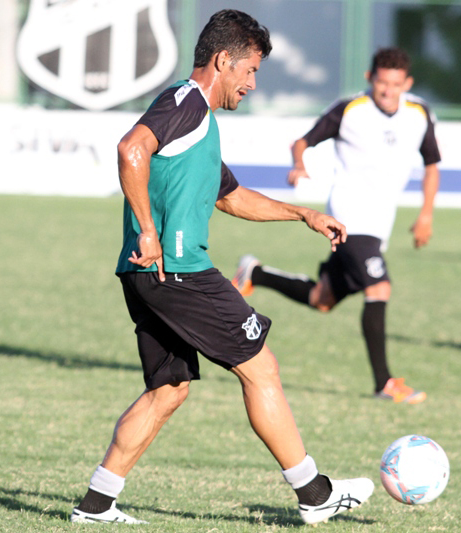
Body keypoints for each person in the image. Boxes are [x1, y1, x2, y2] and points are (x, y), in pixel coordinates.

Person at [70, 10, 374, 525]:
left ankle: (96, 505)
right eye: (250, 70)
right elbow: (130, 148)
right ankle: (314, 493)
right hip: (179, 268)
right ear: (222, 60)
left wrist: (302, 214)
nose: (252, 83)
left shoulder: (199, 122)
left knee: (168, 390)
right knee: (262, 367)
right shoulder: (185, 103)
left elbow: (230, 197)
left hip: (147, 274)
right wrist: (147, 227)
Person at [232, 47, 440, 405]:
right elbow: (302, 141)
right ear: (369, 78)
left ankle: (256, 273)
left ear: (407, 82)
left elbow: (432, 163)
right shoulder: (350, 111)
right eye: (381, 82)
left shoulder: (419, 113)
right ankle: (384, 383)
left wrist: (426, 214)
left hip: (379, 226)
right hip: (348, 218)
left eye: (395, 83)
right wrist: (299, 164)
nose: (388, 90)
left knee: (322, 299)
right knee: (379, 288)